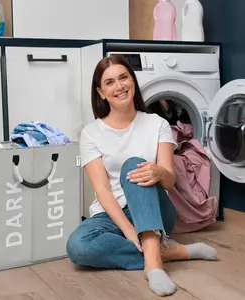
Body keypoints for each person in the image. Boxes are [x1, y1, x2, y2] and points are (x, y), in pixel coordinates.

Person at [66, 55, 217, 297]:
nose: (119, 86)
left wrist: (159, 172)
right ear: (101, 92)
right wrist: (127, 229)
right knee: (77, 247)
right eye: (110, 82)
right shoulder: (91, 133)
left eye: (124, 77)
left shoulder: (157, 124)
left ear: (133, 82)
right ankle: (172, 251)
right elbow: (103, 190)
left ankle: (153, 266)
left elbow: (170, 180)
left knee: (134, 165)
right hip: (113, 213)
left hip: (155, 209)